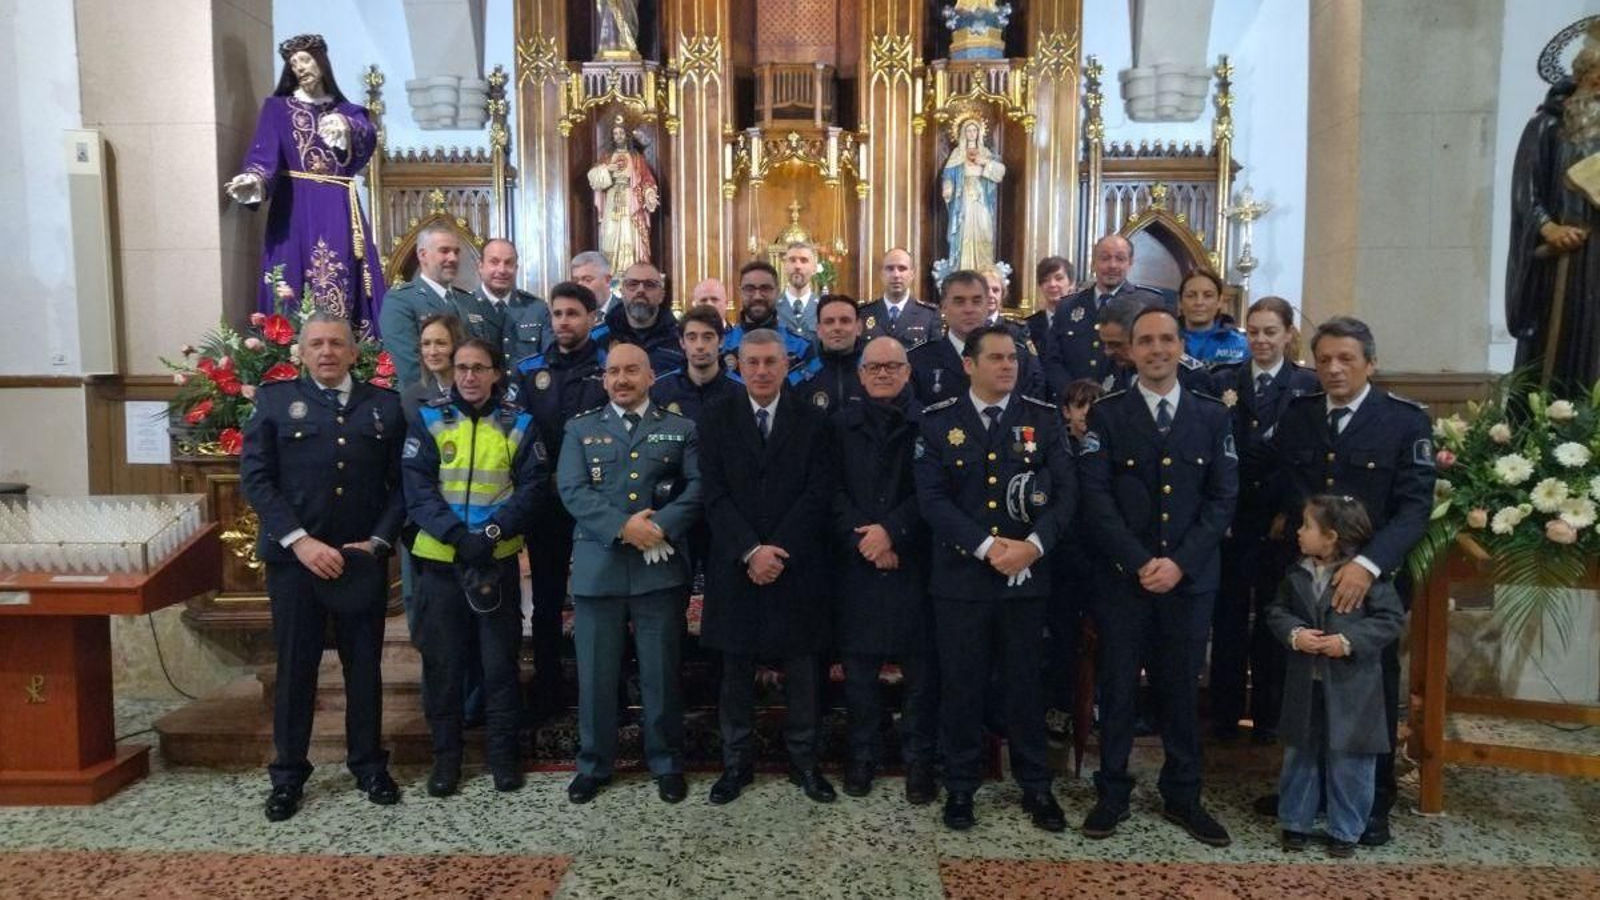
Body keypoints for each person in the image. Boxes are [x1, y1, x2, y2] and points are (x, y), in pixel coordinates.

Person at [1264, 315, 1434, 846]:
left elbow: (1413, 508)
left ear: (1370, 363)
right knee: (1300, 688)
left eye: (1346, 360)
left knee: (1367, 694)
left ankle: (1372, 801)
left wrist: (1366, 564)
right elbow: (1289, 489)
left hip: (1371, 582)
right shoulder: (1299, 415)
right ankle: (1305, 796)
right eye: (1324, 361)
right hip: (1308, 576)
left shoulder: (1404, 421)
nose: (1334, 370)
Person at [1078, 306, 1237, 847]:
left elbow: (1222, 499)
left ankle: (1184, 794)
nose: (1156, 350)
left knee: (1178, 690)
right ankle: (1113, 791)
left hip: (1188, 581)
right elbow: (1095, 499)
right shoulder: (1108, 413)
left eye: (1166, 339)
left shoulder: (1213, 415)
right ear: (1130, 350)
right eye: (1145, 341)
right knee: (1118, 688)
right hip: (1124, 579)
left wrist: (1179, 563)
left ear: (1180, 345)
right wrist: (1140, 561)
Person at [240, 313, 406, 822]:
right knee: (296, 669)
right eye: (317, 344)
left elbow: (403, 484)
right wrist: (300, 542)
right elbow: (257, 479)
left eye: (337, 343)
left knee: (364, 667)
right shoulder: (273, 402)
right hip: (295, 563)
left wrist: (378, 542)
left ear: (355, 353)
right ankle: (288, 773)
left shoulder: (386, 406)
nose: (327, 351)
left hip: (361, 560)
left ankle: (369, 765)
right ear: (302, 353)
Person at [914, 324, 1076, 832]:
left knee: (1025, 685)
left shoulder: (1042, 419)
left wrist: (1031, 547)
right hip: (962, 580)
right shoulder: (938, 422)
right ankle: (961, 785)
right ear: (969, 364)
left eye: (1013, 358)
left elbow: (1068, 494)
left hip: (1026, 579)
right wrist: (987, 548)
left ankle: (1035, 785)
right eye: (997, 358)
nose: (1009, 366)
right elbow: (932, 500)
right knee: (962, 686)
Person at [558, 342, 703, 805]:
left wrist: (658, 526)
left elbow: (698, 488)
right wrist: (623, 528)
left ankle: (666, 762)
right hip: (599, 570)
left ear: (650, 377)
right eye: (613, 372)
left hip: (658, 569)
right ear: (603, 379)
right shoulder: (580, 430)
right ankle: (594, 764)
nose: (622, 379)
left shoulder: (680, 429)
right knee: (597, 675)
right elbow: (572, 490)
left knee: (662, 672)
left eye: (631, 371)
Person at [403, 338, 548, 796]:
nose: (468, 376)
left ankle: (504, 760)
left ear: (495, 374)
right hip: (440, 566)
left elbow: (533, 489)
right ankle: (446, 761)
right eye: (462, 367)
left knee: (498, 667)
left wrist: (489, 535)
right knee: (443, 667)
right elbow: (417, 489)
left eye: (478, 368)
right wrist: (455, 536)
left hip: (495, 563)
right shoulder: (429, 420)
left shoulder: (518, 424)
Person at [698, 330, 836, 805]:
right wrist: (750, 551)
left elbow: (818, 494)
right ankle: (735, 764)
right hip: (736, 565)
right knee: (734, 670)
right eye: (752, 362)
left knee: (803, 670)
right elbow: (712, 494)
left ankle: (805, 763)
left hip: (794, 565)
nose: (760, 371)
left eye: (770, 362)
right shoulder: (715, 417)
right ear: (737, 365)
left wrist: (776, 550)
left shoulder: (814, 420)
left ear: (786, 365)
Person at [827, 336, 937, 803]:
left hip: (915, 562)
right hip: (858, 565)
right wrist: (866, 540)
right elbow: (828, 492)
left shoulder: (932, 423)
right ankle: (862, 757)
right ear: (861, 374)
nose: (884, 374)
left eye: (893, 367)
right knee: (860, 676)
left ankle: (919, 762)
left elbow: (934, 493)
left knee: (921, 676)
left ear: (908, 373)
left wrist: (892, 533)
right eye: (874, 367)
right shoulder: (839, 425)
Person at [1268, 494, 1405, 858]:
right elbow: (1277, 610)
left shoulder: (1369, 579)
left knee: (1351, 758)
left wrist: (1348, 641)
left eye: (1306, 526)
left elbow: (1390, 620)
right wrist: (1295, 634)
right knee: (1301, 753)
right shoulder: (1297, 571)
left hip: (1352, 687)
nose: (1298, 532)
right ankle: (1295, 821)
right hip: (1306, 682)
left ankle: (1346, 829)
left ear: (1331, 536)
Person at [1207, 296, 1319, 743]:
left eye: (1270, 331)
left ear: (1289, 334)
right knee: (1229, 619)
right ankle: (1225, 715)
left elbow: (1305, 460)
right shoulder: (1224, 381)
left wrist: (1287, 513)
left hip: (1284, 523)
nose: (1261, 340)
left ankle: (1270, 718)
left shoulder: (1306, 385)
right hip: (1233, 518)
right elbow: (1216, 452)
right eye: (1253, 331)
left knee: (1277, 620)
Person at [226, 34, 385, 333]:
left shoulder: (348, 111)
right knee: (291, 275)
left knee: (339, 272)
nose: (300, 67)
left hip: (337, 206)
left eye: (306, 60)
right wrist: (254, 180)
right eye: (294, 62)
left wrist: (347, 127)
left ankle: (346, 346)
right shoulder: (278, 109)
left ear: (321, 62)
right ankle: (289, 349)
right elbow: (264, 155)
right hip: (294, 208)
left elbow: (367, 134)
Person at [515, 282, 611, 719]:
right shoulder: (530, 371)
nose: (564, 322)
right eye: (557, 314)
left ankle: (606, 687)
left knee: (603, 596)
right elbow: (519, 434)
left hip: (598, 502)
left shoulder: (611, 367)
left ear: (592, 317)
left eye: (573, 313)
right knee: (548, 599)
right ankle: (549, 686)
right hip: (546, 504)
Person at [1507, 43, 1600, 388]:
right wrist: (1548, 228)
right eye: (1596, 80)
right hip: (1568, 258)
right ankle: (1552, 427)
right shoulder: (1548, 124)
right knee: (1562, 344)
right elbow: (1525, 190)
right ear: (1582, 78)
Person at [1044, 377, 1102, 735]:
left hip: (1100, 560)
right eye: (1080, 405)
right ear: (1066, 411)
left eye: (1094, 405)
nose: (1087, 414)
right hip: (1063, 559)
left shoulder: (1108, 447)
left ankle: (1094, 706)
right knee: (1062, 640)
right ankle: (1059, 707)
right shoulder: (1055, 449)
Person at [1043, 234, 1166, 395]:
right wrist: (1073, 395)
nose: (1112, 265)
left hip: (1126, 403)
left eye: (1120, 259)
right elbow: (1052, 360)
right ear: (1093, 262)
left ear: (1130, 262)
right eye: (1105, 258)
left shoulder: (1148, 303)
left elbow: (1154, 357)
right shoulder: (1067, 306)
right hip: (1074, 406)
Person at [909, 270, 1044, 406]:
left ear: (987, 306)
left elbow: (1033, 416)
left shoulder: (1020, 360)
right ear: (943, 307)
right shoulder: (919, 361)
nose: (969, 309)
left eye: (976, 301)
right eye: (959, 302)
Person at [380, 225, 484, 386]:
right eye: (444, 251)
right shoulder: (400, 300)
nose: (453, 258)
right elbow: (410, 367)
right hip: (428, 403)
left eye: (456, 252)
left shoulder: (469, 301)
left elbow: (481, 355)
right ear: (423, 255)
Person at [722, 260, 814, 383]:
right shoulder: (722, 347)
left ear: (777, 292)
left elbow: (811, 388)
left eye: (765, 288)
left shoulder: (801, 348)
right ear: (740, 292)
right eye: (750, 289)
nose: (757, 296)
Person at [588, 116, 660, 271]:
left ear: (627, 135)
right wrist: (607, 170)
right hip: (613, 201)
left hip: (630, 202)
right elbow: (593, 177)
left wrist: (649, 194)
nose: (618, 136)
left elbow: (647, 180)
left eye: (621, 133)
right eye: (615, 133)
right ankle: (611, 271)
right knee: (610, 234)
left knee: (630, 235)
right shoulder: (606, 158)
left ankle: (632, 270)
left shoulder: (636, 159)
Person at [651, 305, 741, 421]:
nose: (700, 346)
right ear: (682, 342)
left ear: (721, 341)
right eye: (692, 338)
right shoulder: (659, 390)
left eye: (707, 338)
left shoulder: (741, 394)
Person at [940, 118, 1005, 272]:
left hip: (982, 198)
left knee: (984, 228)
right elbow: (948, 174)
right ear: (963, 133)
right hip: (963, 198)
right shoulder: (957, 153)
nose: (971, 133)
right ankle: (963, 267)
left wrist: (984, 163)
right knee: (964, 230)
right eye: (968, 130)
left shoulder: (985, 153)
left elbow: (999, 172)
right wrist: (948, 186)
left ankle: (984, 269)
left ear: (979, 133)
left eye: (974, 130)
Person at [478, 238, 553, 369]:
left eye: (509, 263)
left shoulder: (536, 308)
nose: (502, 270)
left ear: (516, 268)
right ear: (480, 266)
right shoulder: (465, 306)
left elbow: (550, 358)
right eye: (494, 262)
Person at [601, 262, 684, 375]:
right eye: (632, 284)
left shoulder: (681, 339)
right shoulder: (600, 338)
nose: (640, 290)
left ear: (661, 295)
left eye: (649, 285)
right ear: (622, 292)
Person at [860, 248, 940, 347]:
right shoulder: (863, 313)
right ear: (881, 274)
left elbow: (936, 356)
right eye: (890, 268)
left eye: (902, 268)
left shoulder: (929, 315)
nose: (896, 275)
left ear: (912, 274)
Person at [798, 294, 864, 413]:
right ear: (818, 330)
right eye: (829, 322)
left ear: (858, 327)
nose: (837, 327)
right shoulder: (799, 375)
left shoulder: (874, 368)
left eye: (845, 321)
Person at [1177, 270, 1247, 365]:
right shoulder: (1164, 341)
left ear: (1220, 301)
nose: (1199, 302)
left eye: (1208, 296)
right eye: (1191, 296)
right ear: (1180, 302)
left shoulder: (1240, 344)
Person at [1026, 256, 1077, 363]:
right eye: (1046, 280)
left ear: (1071, 283)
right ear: (1040, 286)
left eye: (1059, 278)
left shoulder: (1083, 322)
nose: (1052, 284)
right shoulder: (1028, 326)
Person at [777, 242, 821, 340]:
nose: (797, 266)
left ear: (814, 268)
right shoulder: (772, 308)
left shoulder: (823, 308)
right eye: (792, 260)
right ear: (785, 267)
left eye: (804, 260)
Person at [571, 250, 619, 319]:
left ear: (607, 280)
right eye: (576, 281)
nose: (580, 286)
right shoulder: (571, 314)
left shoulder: (625, 312)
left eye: (587, 280)